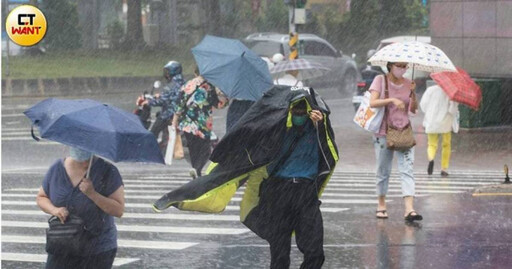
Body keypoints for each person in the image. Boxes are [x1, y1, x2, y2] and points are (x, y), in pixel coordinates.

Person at [153, 86, 338, 269]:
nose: (299, 114)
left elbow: (328, 151)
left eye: (302, 110)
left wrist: (320, 126)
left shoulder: (317, 130)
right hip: (278, 191)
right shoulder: (277, 128)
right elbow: (250, 141)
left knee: (315, 251)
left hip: (305, 194)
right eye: (295, 109)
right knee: (279, 251)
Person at [36, 147, 125, 269]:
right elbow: (42, 197)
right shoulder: (57, 169)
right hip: (62, 245)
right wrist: (54, 210)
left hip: (97, 248)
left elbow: (118, 210)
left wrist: (93, 194)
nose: (85, 163)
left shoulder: (108, 171)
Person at [369, 62, 422, 222]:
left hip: (404, 131)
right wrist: (391, 99)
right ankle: (381, 204)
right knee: (383, 170)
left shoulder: (408, 83)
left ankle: (409, 209)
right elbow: (373, 102)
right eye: (400, 66)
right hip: (383, 132)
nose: (403, 69)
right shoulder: (380, 80)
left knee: (407, 169)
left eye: (405, 66)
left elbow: (413, 110)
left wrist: (413, 93)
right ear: (390, 65)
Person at [172, 66, 226, 179]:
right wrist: (224, 96)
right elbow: (219, 104)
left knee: (194, 149)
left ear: (195, 72)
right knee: (205, 150)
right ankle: (197, 170)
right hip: (203, 124)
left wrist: (174, 121)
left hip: (187, 124)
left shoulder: (187, 85)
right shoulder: (210, 87)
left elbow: (179, 105)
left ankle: (195, 171)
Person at [138, 61, 185, 154]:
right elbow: (171, 96)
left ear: (173, 72)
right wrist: (159, 95)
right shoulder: (182, 82)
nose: (166, 74)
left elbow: (163, 100)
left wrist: (149, 102)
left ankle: (148, 150)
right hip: (179, 111)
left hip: (169, 113)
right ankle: (164, 144)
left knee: (154, 130)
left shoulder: (171, 84)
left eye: (168, 71)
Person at [420, 84, 459, 176]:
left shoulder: (430, 90)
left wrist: (430, 112)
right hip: (445, 122)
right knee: (446, 145)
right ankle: (444, 168)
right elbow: (452, 110)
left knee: (432, 144)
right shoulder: (451, 92)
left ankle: (431, 159)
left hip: (432, 121)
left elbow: (423, 105)